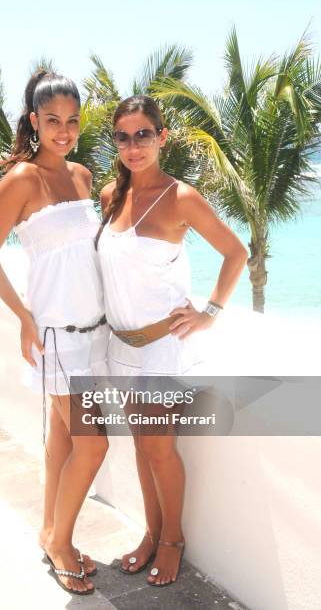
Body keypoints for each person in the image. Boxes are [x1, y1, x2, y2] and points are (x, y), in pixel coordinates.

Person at [96, 95, 248, 587]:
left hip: (163, 348)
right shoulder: (109, 196)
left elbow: (236, 253)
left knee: (159, 449)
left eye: (144, 134)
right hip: (121, 346)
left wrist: (210, 313)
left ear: (162, 137)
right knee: (142, 448)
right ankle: (151, 532)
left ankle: (172, 540)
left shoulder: (180, 197)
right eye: (123, 136)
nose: (133, 145)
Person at [0, 69, 110, 595]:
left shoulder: (81, 175)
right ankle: (62, 543)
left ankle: (50, 532)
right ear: (33, 121)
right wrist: (23, 317)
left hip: (94, 333)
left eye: (72, 121)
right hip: (56, 336)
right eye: (52, 120)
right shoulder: (21, 181)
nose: (63, 131)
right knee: (93, 446)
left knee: (61, 444)